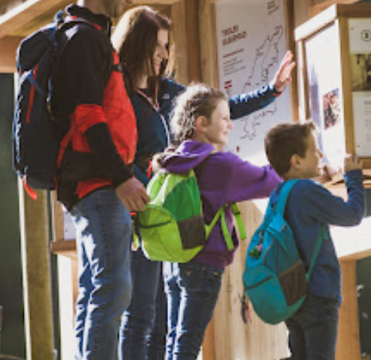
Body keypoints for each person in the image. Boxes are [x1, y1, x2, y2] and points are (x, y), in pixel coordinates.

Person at [110, 6, 295, 359]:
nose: (165, 54)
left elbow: (217, 107)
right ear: (138, 43)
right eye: (158, 45)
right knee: (139, 314)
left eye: (167, 46)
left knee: (164, 319)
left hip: (168, 215)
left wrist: (270, 92)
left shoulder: (167, 92)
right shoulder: (116, 93)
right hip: (134, 212)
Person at [152, 83, 282, 360]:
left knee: (176, 341)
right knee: (187, 345)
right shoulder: (220, 165)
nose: (229, 125)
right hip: (204, 265)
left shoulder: (174, 159)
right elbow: (270, 181)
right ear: (201, 123)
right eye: (224, 118)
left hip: (174, 263)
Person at [50, 0, 150, 359]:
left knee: (97, 288)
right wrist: (122, 177)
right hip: (98, 184)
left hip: (93, 183)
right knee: (112, 289)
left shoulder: (82, 35)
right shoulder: (84, 38)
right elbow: (89, 115)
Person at [264, 121, 366, 360]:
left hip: (292, 296)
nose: (321, 154)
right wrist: (353, 176)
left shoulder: (278, 195)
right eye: (315, 150)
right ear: (296, 161)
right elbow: (353, 214)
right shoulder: (307, 192)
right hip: (319, 295)